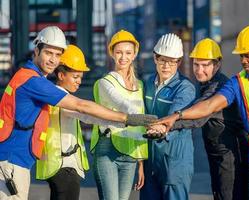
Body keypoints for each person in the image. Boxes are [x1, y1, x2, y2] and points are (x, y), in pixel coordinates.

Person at [0, 26, 155, 200]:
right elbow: (81, 106)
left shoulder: (29, 78)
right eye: (48, 53)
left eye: (58, 55)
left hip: (15, 161)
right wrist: (126, 118)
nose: (53, 60)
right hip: (12, 162)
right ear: (36, 51)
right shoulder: (34, 82)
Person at [154, 26, 249, 200]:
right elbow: (209, 106)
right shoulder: (237, 83)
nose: (243, 61)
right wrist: (176, 116)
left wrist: (172, 120)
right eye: (241, 56)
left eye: (248, 55)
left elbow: (203, 112)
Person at [149, 38, 248, 199]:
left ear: (217, 64)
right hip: (217, 153)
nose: (199, 70)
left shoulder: (219, 87)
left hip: (230, 156)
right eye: (196, 64)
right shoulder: (205, 84)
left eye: (205, 65)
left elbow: (198, 117)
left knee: (227, 196)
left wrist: (168, 124)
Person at [90, 30, 148, 200]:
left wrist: (141, 162)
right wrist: (149, 119)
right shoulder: (105, 82)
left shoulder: (140, 86)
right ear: (112, 54)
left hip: (130, 153)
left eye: (128, 53)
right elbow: (120, 102)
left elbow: (140, 130)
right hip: (108, 149)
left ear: (134, 54)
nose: (123, 57)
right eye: (119, 52)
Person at [140, 33, 196, 200]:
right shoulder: (148, 83)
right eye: (162, 59)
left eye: (172, 61)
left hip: (175, 161)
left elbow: (174, 115)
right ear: (155, 58)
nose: (166, 66)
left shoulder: (185, 88)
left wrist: (160, 127)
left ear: (179, 62)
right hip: (151, 160)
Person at [35, 44, 91, 200]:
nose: (79, 81)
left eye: (80, 77)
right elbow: (85, 113)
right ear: (61, 75)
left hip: (56, 166)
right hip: (64, 165)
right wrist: (122, 119)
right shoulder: (61, 98)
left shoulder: (52, 95)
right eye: (75, 77)